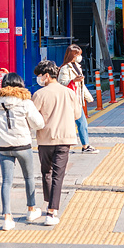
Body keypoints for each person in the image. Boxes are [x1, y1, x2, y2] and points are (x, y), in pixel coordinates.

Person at [0, 73, 45, 231]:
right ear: (20, 84)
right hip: (23, 146)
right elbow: (39, 124)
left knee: (6, 182)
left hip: (4, 149)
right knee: (29, 178)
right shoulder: (25, 102)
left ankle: (7, 218)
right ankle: (31, 210)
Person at [32, 60, 80, 226]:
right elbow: (77, 114)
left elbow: (32, 117)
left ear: (46, 75)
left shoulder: (39, 94)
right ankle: (52, 212)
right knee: (58, 175)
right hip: (65, 139)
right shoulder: (69, 93)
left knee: (46, 172)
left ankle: (49, 202)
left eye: (39, 75)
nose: (38, 79)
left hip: (45, 139)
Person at [58, 45, 98, 154]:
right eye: (78, 54)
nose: (80, 57)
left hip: (76, 100)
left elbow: (81, 85)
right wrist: (73, 80)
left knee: (81, 123)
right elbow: (61, 83)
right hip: (69, 100)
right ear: (73, 55)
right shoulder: (65, 68)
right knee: (75, 123)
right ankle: (78, 145)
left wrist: (88, 97)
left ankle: (84, 145)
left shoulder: (77, 66)